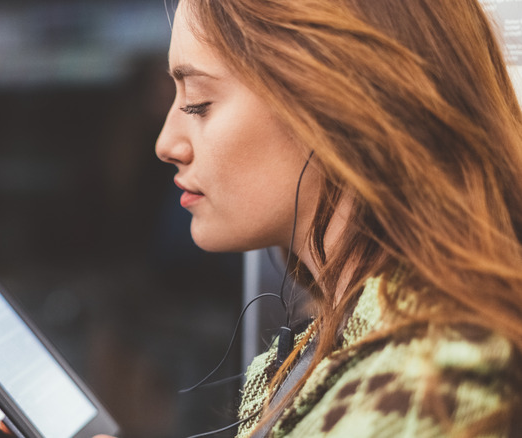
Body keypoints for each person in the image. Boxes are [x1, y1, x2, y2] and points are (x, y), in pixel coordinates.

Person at [95, 0, 522, 436]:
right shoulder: (354, 345)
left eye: (199, 103)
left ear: (336, 104)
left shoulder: (427, 387)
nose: (166, 143)